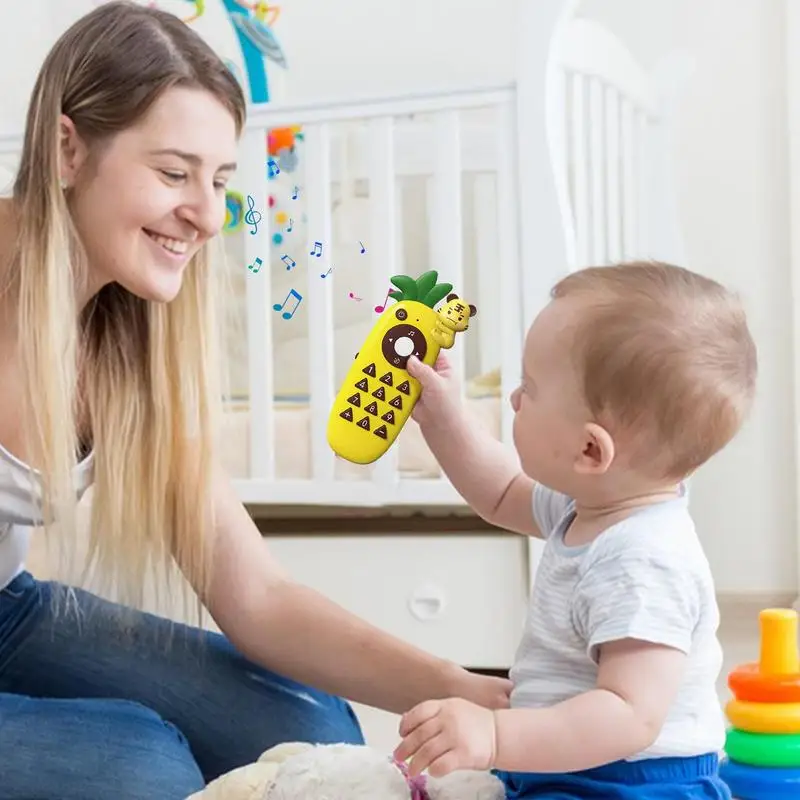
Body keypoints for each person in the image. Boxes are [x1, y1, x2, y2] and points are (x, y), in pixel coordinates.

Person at [0, 3, 511, 798]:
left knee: (316, 731)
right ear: (68, 147)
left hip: (9, 615)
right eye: (174, 173)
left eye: (220, 180)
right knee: (143, 766)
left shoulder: (127, 342)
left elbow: (259, 598)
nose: (206, 215)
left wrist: (471, 690)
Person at [395, 261, 757, 799]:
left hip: (630, 783)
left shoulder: (642, 561)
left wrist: (495, 735)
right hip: (574, 766)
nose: (515, 399)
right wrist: (446, 419)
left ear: (590, 449)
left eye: (530, 388)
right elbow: (498, 493)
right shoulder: (589, 504)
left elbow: (630, 715)